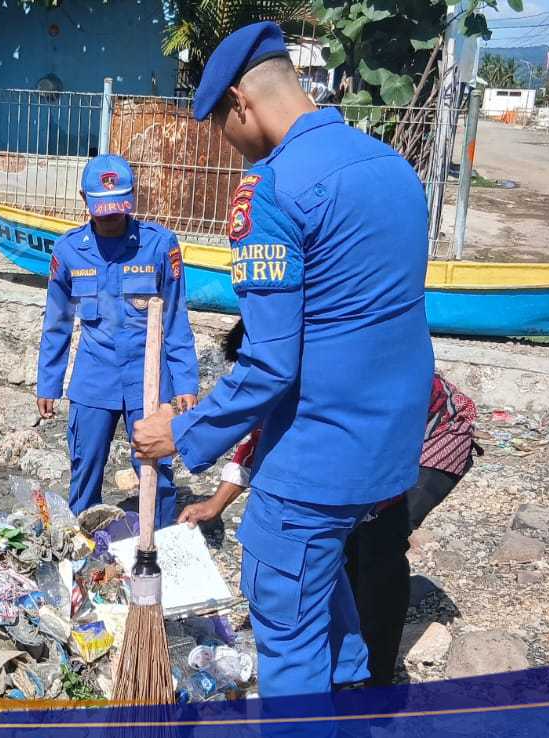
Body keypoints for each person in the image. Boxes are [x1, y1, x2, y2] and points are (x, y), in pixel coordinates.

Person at [131, 21, 433, 697]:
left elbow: (269, 361)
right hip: (387, 451)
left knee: (287, 626)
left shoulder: (271, 189)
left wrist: (180, 434)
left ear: (241, 100)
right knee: (330, 609)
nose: (226, 143)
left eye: (219, 125)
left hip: (313, 458)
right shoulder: (391, 167)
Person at [178, 322, 478, 687]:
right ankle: (342, 660)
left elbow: (382, 447)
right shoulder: (285, 377)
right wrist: (215, 504)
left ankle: (377, 676)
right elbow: (260, 438)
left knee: (380, 543)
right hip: (369, 440)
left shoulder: (336, 373)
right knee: (336, 543)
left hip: (435, 435)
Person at [36, 154, 199, 525]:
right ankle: (82, 551)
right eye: (102, 210)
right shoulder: (69, 251)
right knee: (85, 464)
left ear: (132, 199)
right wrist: (49, 382)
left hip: (150, 376)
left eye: (118, 208)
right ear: (84, 199)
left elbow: (175, 318)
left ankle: (155, 547)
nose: (110, 218)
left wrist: (186, 382)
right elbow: (57, 322)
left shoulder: (159, 246)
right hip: (94, 376)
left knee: (154, 468)